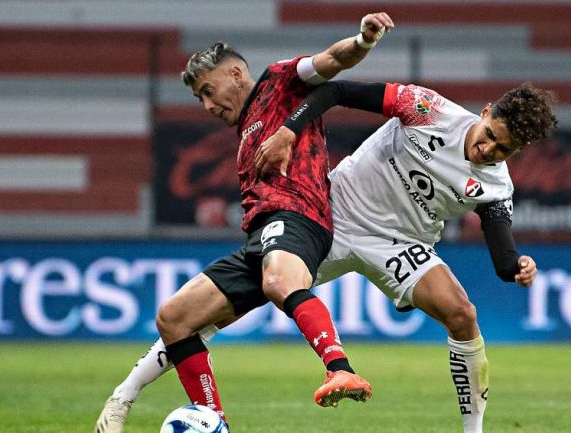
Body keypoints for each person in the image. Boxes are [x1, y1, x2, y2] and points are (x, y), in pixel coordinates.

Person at [97, 80, 557, 433]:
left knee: (463, 314)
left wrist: (517, 266)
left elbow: (501, 249)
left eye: (503, 149)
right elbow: (336, 90)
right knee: (213, 314)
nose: (488, 149)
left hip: (400, 245)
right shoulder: (427, 109)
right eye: (491, 135)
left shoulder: (497, 185)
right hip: (328, 214)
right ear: (486, 112)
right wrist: (287, 131)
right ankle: (122, 397)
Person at [94, 12, 395, 433]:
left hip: (298, 218)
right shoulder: (244, 135)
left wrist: (362, 41)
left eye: (208, 91)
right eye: (199, 98)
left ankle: (339, 368)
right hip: (261, 238)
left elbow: (330, 61)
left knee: (279, 283)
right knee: (174, 316)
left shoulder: (280, 82)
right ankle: (211, 418)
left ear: (236, 74)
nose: (207, 105)